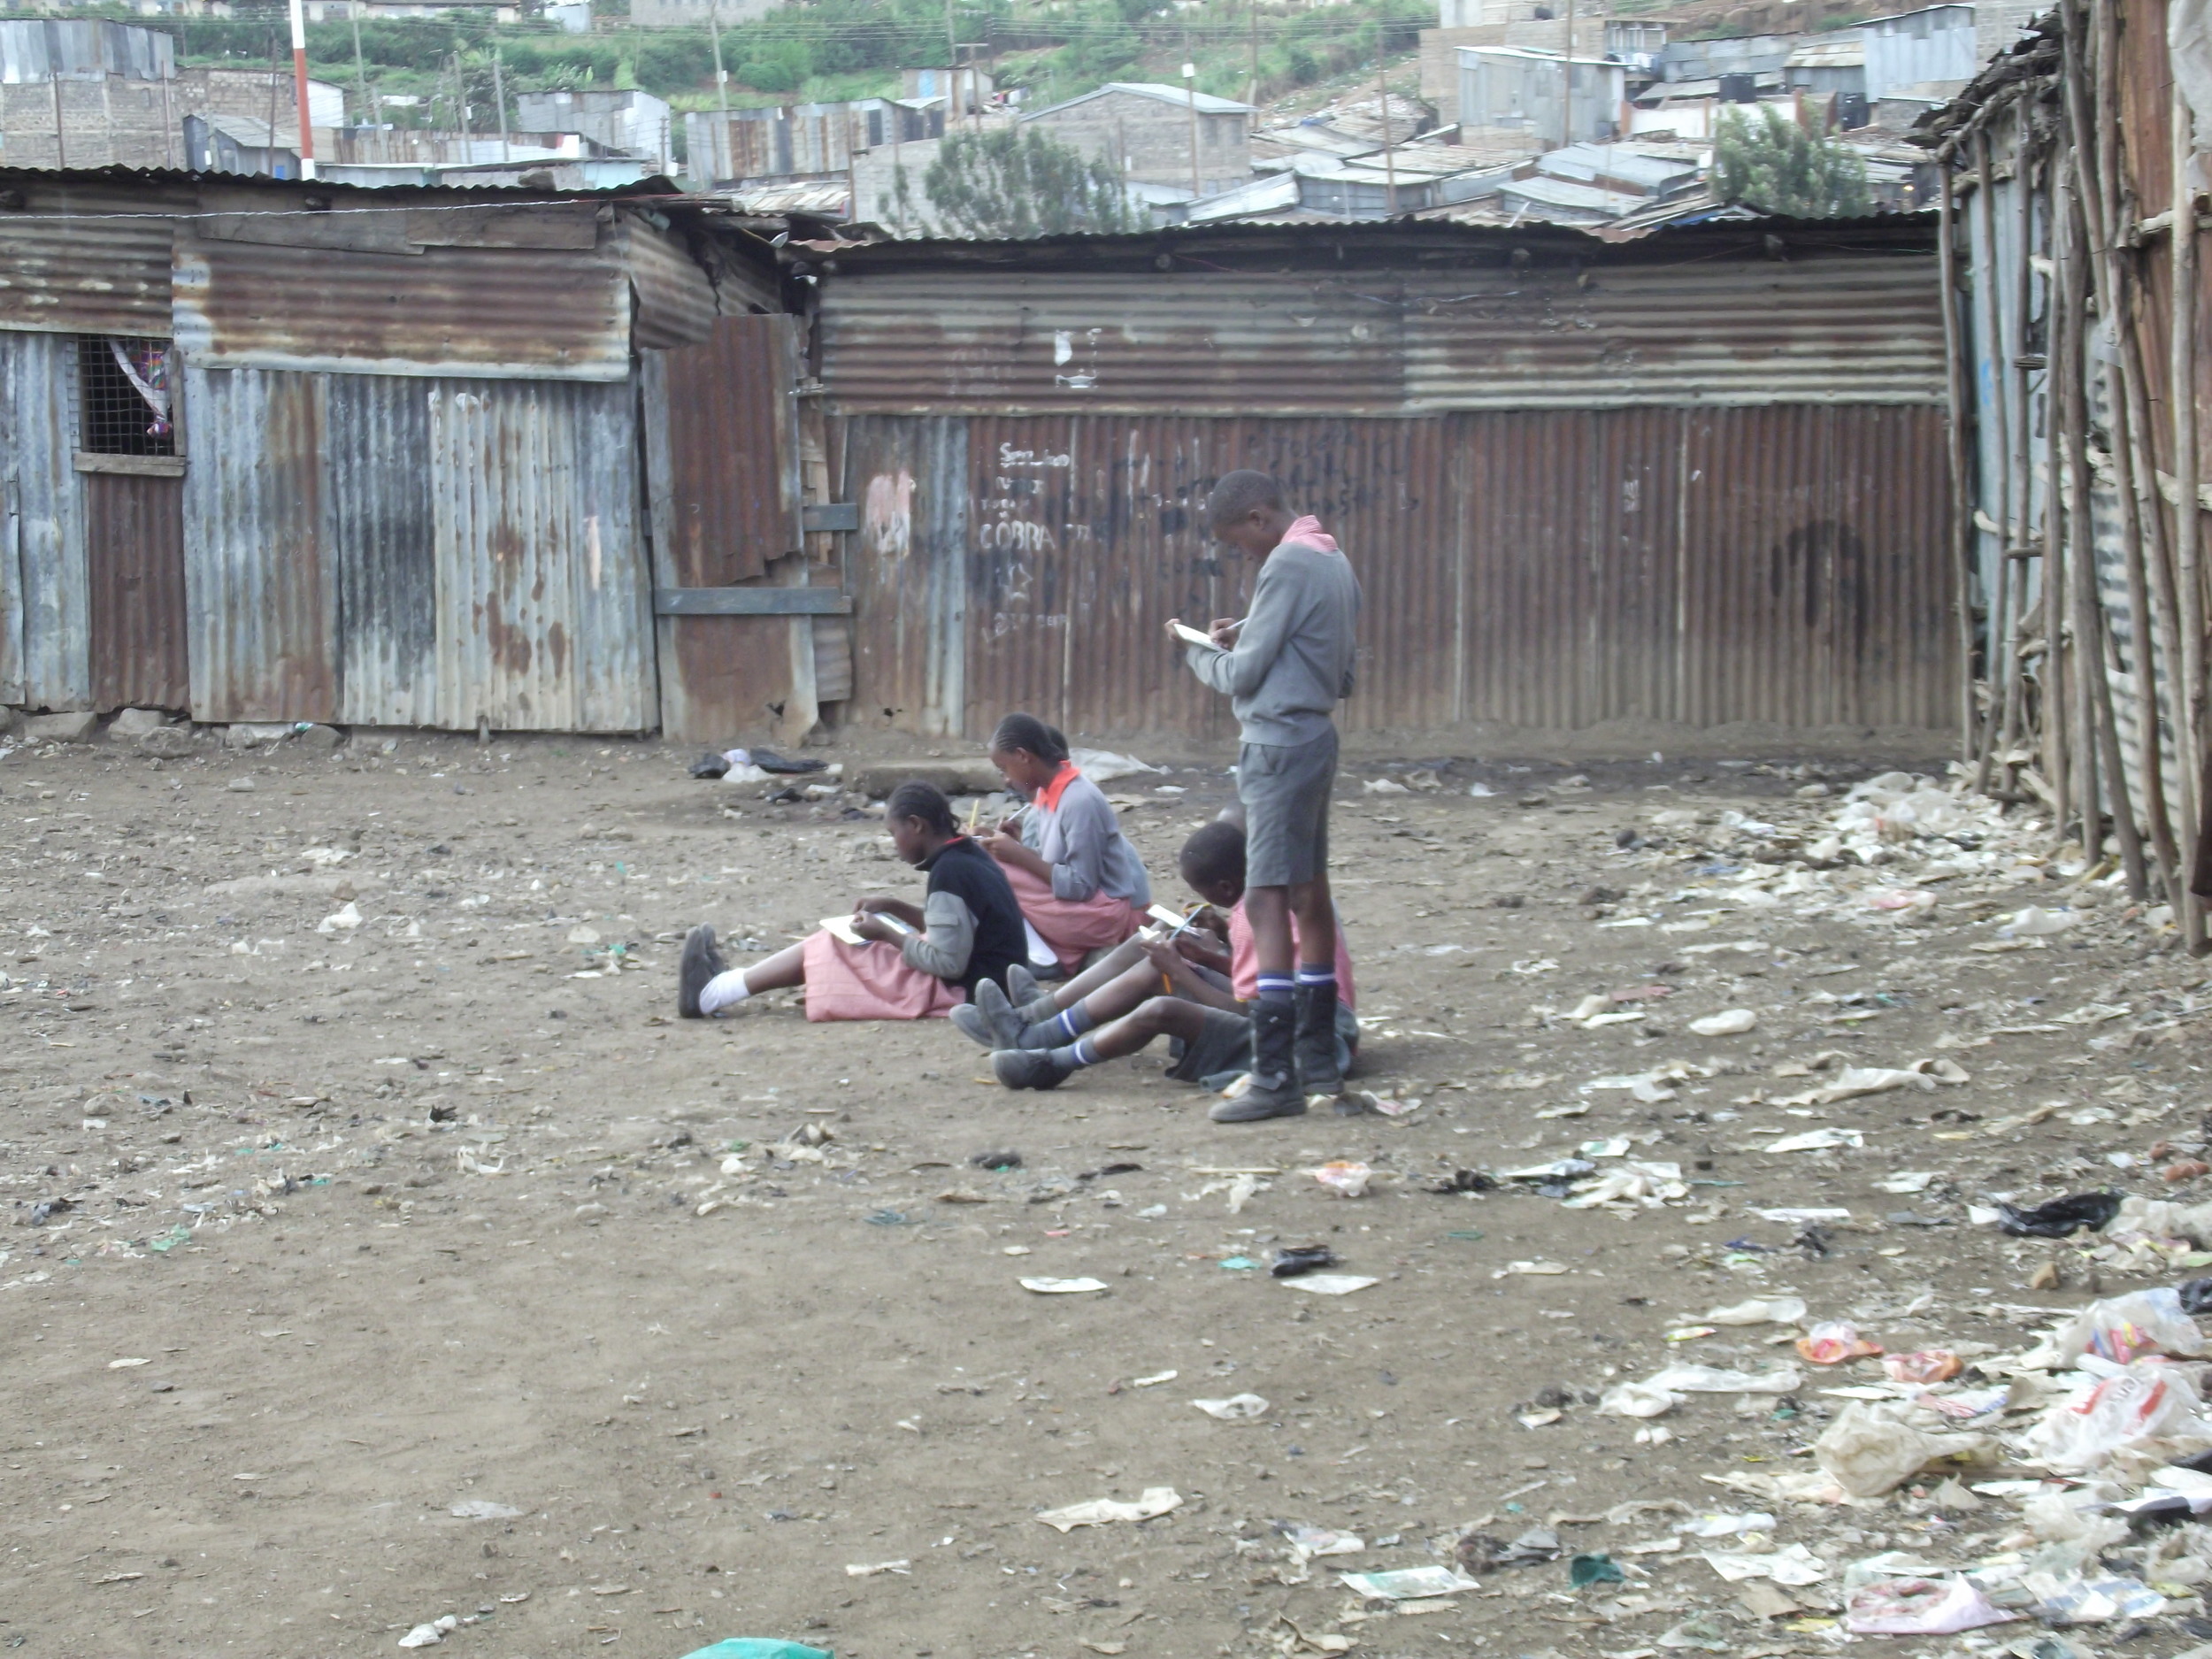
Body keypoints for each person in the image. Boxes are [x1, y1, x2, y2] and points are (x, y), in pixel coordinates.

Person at [1166, 470, 1360, 1120]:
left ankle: (1276, 1075)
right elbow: (1341, 667)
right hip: (1315, 739)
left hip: (1275, 746)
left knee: (1268, 899)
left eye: (1239, 542)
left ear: (1257, 517)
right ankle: (1319, 1060)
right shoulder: (1333, 559)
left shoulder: (1285, 563)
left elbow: (1245, 675)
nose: (1245, 555)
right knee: (1312, 893)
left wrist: (1195, 653)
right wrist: (1250, 628)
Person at [968, 819, 1360, 1107]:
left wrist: (1181, 970)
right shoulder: (1265, 898)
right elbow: (1265, 979)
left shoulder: (1257, 913)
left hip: (1310, 1038)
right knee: (1151, 954)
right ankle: (1038, 1023)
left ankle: (1055, 1061)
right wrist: (1210, 950)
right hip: (1301, 1017)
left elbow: (1254, 1010)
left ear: (1225, 887)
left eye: (1200, 890)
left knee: (1162, 1007)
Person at [677, 780, 1026, 1023]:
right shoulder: (966, 856)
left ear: (916, 825)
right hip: (992, 978)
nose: (894, 844)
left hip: (973, 990)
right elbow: (957, 927)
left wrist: (887, 934)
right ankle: (725, 984)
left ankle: (712, 995)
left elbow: (949, 964)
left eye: (894, 833)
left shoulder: (951, 873)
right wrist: (893, 907)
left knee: (836, 944)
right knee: (845, 941)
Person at [978, 712, 1151, 972]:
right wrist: (1015, 848)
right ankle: (1036, 950)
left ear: (1024, 756)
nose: (1006, 779)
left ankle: (1041, 957)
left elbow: (1080, 885)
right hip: (1086, 909)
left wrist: (1019, 856)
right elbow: (1054, 862)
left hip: (1102, 916)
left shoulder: (1080, 800)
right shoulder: (1051, 794)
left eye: (1005, 768)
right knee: (982, 857)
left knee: (986, 868)